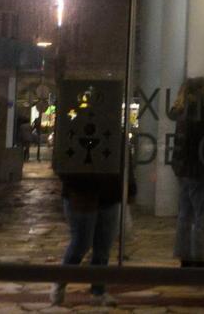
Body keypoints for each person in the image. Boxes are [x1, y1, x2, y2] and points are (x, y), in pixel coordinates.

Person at [51, 111, 122, 307]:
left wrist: (128, 187)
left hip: (108, 194)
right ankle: (61, 282)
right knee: (81, 243)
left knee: (103, 248)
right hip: (81, 194)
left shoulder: (115, 133)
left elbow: (125, 161)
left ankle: (98, 290)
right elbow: (62, 164)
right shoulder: (72, 132)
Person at [169, 76, 204, 268]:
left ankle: (185, 257)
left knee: (186, 214)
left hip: (185, 170)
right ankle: (198, 258)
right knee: (203, 217)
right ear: (200, 91)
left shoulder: (183, 111)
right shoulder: (201, 113)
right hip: (199, 170)